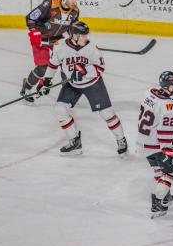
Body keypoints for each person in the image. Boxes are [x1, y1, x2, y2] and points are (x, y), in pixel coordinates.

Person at [38, 21, 127, 156]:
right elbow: (53, 64)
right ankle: (75, 142)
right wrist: (46, 81)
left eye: (86, 35)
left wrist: (85, 71)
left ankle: (121, 139)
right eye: (82, 35)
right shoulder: (59, 47)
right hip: (73, 85)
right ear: (73, 35)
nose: (86, 38)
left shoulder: (92, 48)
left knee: (107, 113)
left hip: (93, 84)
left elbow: (100, 68)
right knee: (60, 109)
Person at [20, 0, 80, 103]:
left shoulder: (75, 11)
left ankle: (65, 94)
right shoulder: (50, 4)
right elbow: (30, 18)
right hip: (41, 38)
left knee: (67, 64)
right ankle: (26, 89)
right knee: (43, 68)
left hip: (57, 39)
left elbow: (72, 28)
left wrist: (76, 39)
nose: (74, 1)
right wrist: (34, 31)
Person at [135, 71, 173, 217]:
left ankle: (165, 195)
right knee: (170, 170)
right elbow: (164, 131)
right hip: (155, 145)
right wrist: (170, 152)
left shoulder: (148, 93)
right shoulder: (169, 105)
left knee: (158, 168)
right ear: (170, 86)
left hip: (142, 141)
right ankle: (158, 202)